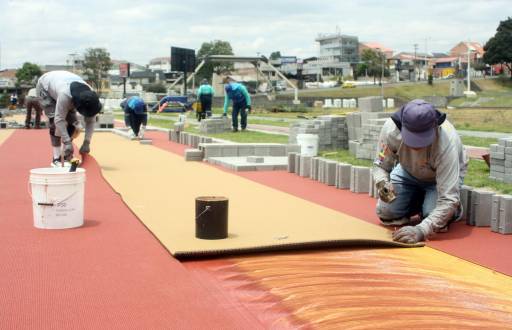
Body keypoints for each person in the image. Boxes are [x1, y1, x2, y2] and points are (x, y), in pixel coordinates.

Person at [372, 99, 468, 244]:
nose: (416, 146)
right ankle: (421, 200)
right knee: (386, 213)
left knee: (434, 218)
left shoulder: (447, 142)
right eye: (412, 139)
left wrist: (421, 230)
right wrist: (382, 183)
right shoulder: (390, 130)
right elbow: (380, 165)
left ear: (435, 128)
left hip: (438, 179)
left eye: (422, 140)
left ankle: (454, 210)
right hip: (407, 171)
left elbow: (448, 198)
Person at [36, 71, 101, 167]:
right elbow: (59, 119)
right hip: (45, 87)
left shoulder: (91, 97)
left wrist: (87, 142)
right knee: (55, 122)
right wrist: (67, 142)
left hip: (62, 84)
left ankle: (67, 156)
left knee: (73, 124)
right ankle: (56, 158)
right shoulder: (65, 95)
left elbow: (90, 121)